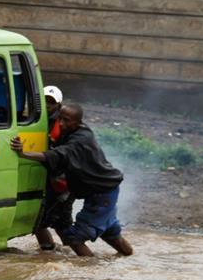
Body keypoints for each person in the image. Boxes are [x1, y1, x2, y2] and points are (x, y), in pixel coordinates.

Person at [10, 102, 133, 257]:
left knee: (74, 237)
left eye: (66, 120)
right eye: (60, 118)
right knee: (110, 234)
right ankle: (129, 256)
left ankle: (90, 270)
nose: (61, 123)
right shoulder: (74, 132)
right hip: (104, 191)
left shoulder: (80, 140)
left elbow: (58, 155)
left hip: (102, 194)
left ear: (78, 122)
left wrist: (24, 154)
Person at [34, 85, 73, 250]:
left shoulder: (64, 124)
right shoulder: (35, 118)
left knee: (61, 223)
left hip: (61, 180)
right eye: (43, 100)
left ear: (58, 104)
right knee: (39, 220)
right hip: (49, 177)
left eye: (50, 102)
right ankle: (48, 250)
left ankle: (77, 253)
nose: (47, 104)